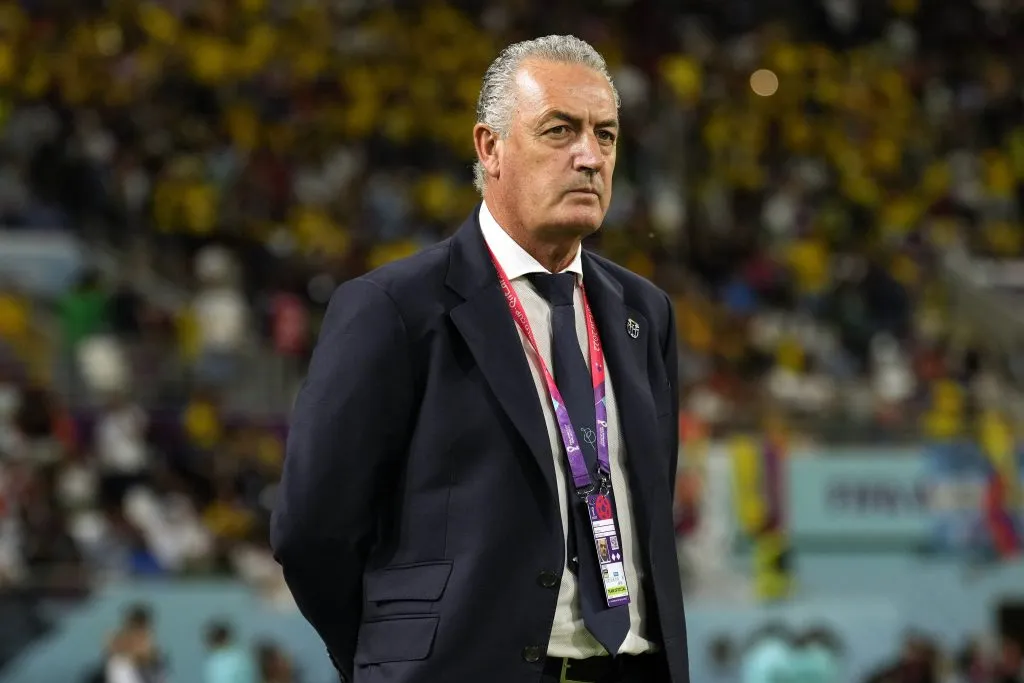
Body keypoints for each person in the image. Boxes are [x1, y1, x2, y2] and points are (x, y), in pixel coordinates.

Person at [271, 34, 688, 683]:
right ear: (489, 147)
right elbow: (311, 529)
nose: (589, 157)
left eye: (605, 135)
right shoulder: (395, 307)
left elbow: (652, 517)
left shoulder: (645, 313)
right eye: (560, 130)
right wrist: (396, 656)